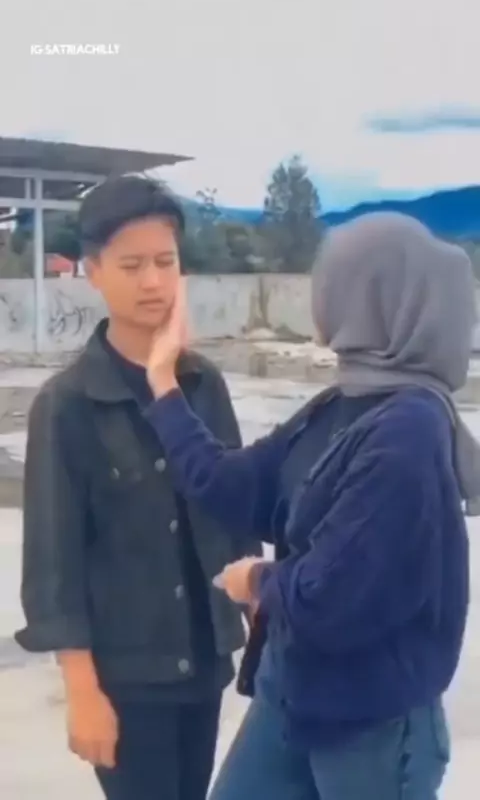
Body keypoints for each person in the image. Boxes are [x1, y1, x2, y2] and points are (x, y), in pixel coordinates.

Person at [143, 212, 479, 800]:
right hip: (296, 690)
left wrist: (257, 580)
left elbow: (334, 596)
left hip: (373, 722)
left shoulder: (409, 431)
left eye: (333, 281)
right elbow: (232, 484)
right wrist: (163, 383)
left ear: (372, 299)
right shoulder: (340, 405)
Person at [16, 175, 260, 800]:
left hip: (204, 665)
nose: (153, 281)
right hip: (127, 679)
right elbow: (53, 567)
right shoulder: (67, 405)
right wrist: (82, 691)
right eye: (131, 265)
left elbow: (237, 513)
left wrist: (265, 623)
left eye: (165, 261)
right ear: (93, 271)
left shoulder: (203, 386)